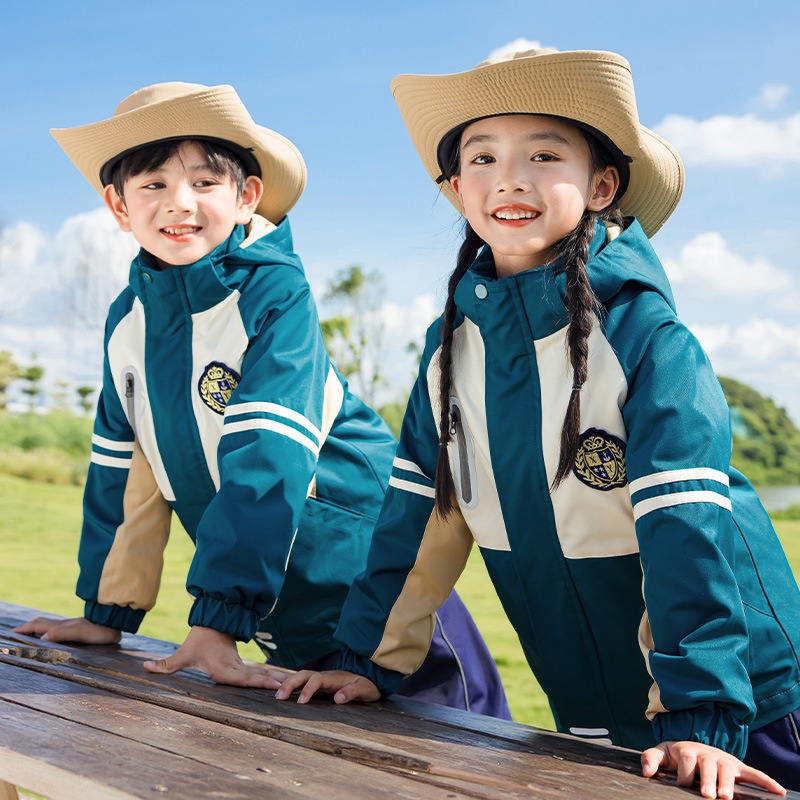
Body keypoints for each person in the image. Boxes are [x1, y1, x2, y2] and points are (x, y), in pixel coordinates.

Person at [273, 49, 800, 798]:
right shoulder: (451, 348)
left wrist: (704, 712)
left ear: (602, 185)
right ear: (457, 189)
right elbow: (420, 516)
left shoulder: (648, 335)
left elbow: (687, 527)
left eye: (544, 154)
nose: (510, 178)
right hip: (585, 694)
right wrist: (363, 661)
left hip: (744, 701)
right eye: (482, 157)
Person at [14, 81, 510, 719]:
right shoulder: (127, 322)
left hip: (368, 589)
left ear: (247, 195)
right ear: (118, 205)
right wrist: (106, 614)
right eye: (153, 185)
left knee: (460, 752)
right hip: (269, 602)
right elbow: (127, 466)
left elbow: (266, 451)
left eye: (204, 183)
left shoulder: (274, 293)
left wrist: (218, 621)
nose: (179, 204)